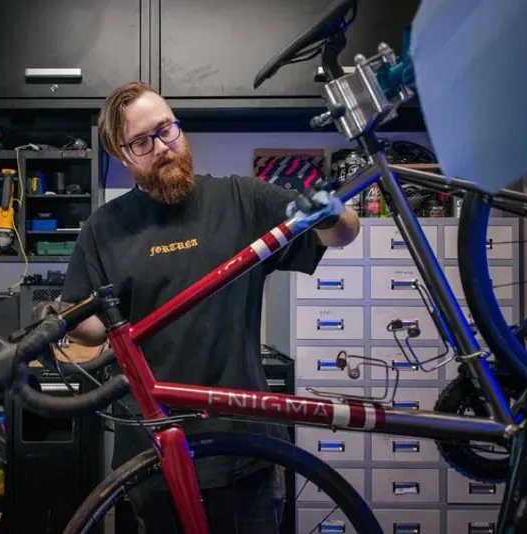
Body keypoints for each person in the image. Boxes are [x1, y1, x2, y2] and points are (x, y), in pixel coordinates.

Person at [56, 81, 361, 533]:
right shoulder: (104, 228)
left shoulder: (244, 199)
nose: (161, 147)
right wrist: (62, 320)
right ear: (124, 157)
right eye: (142, 142)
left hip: (244, 450)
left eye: (166, 130)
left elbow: (343, 233)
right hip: (152, 451)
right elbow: (93, 327)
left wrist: (330, 211)